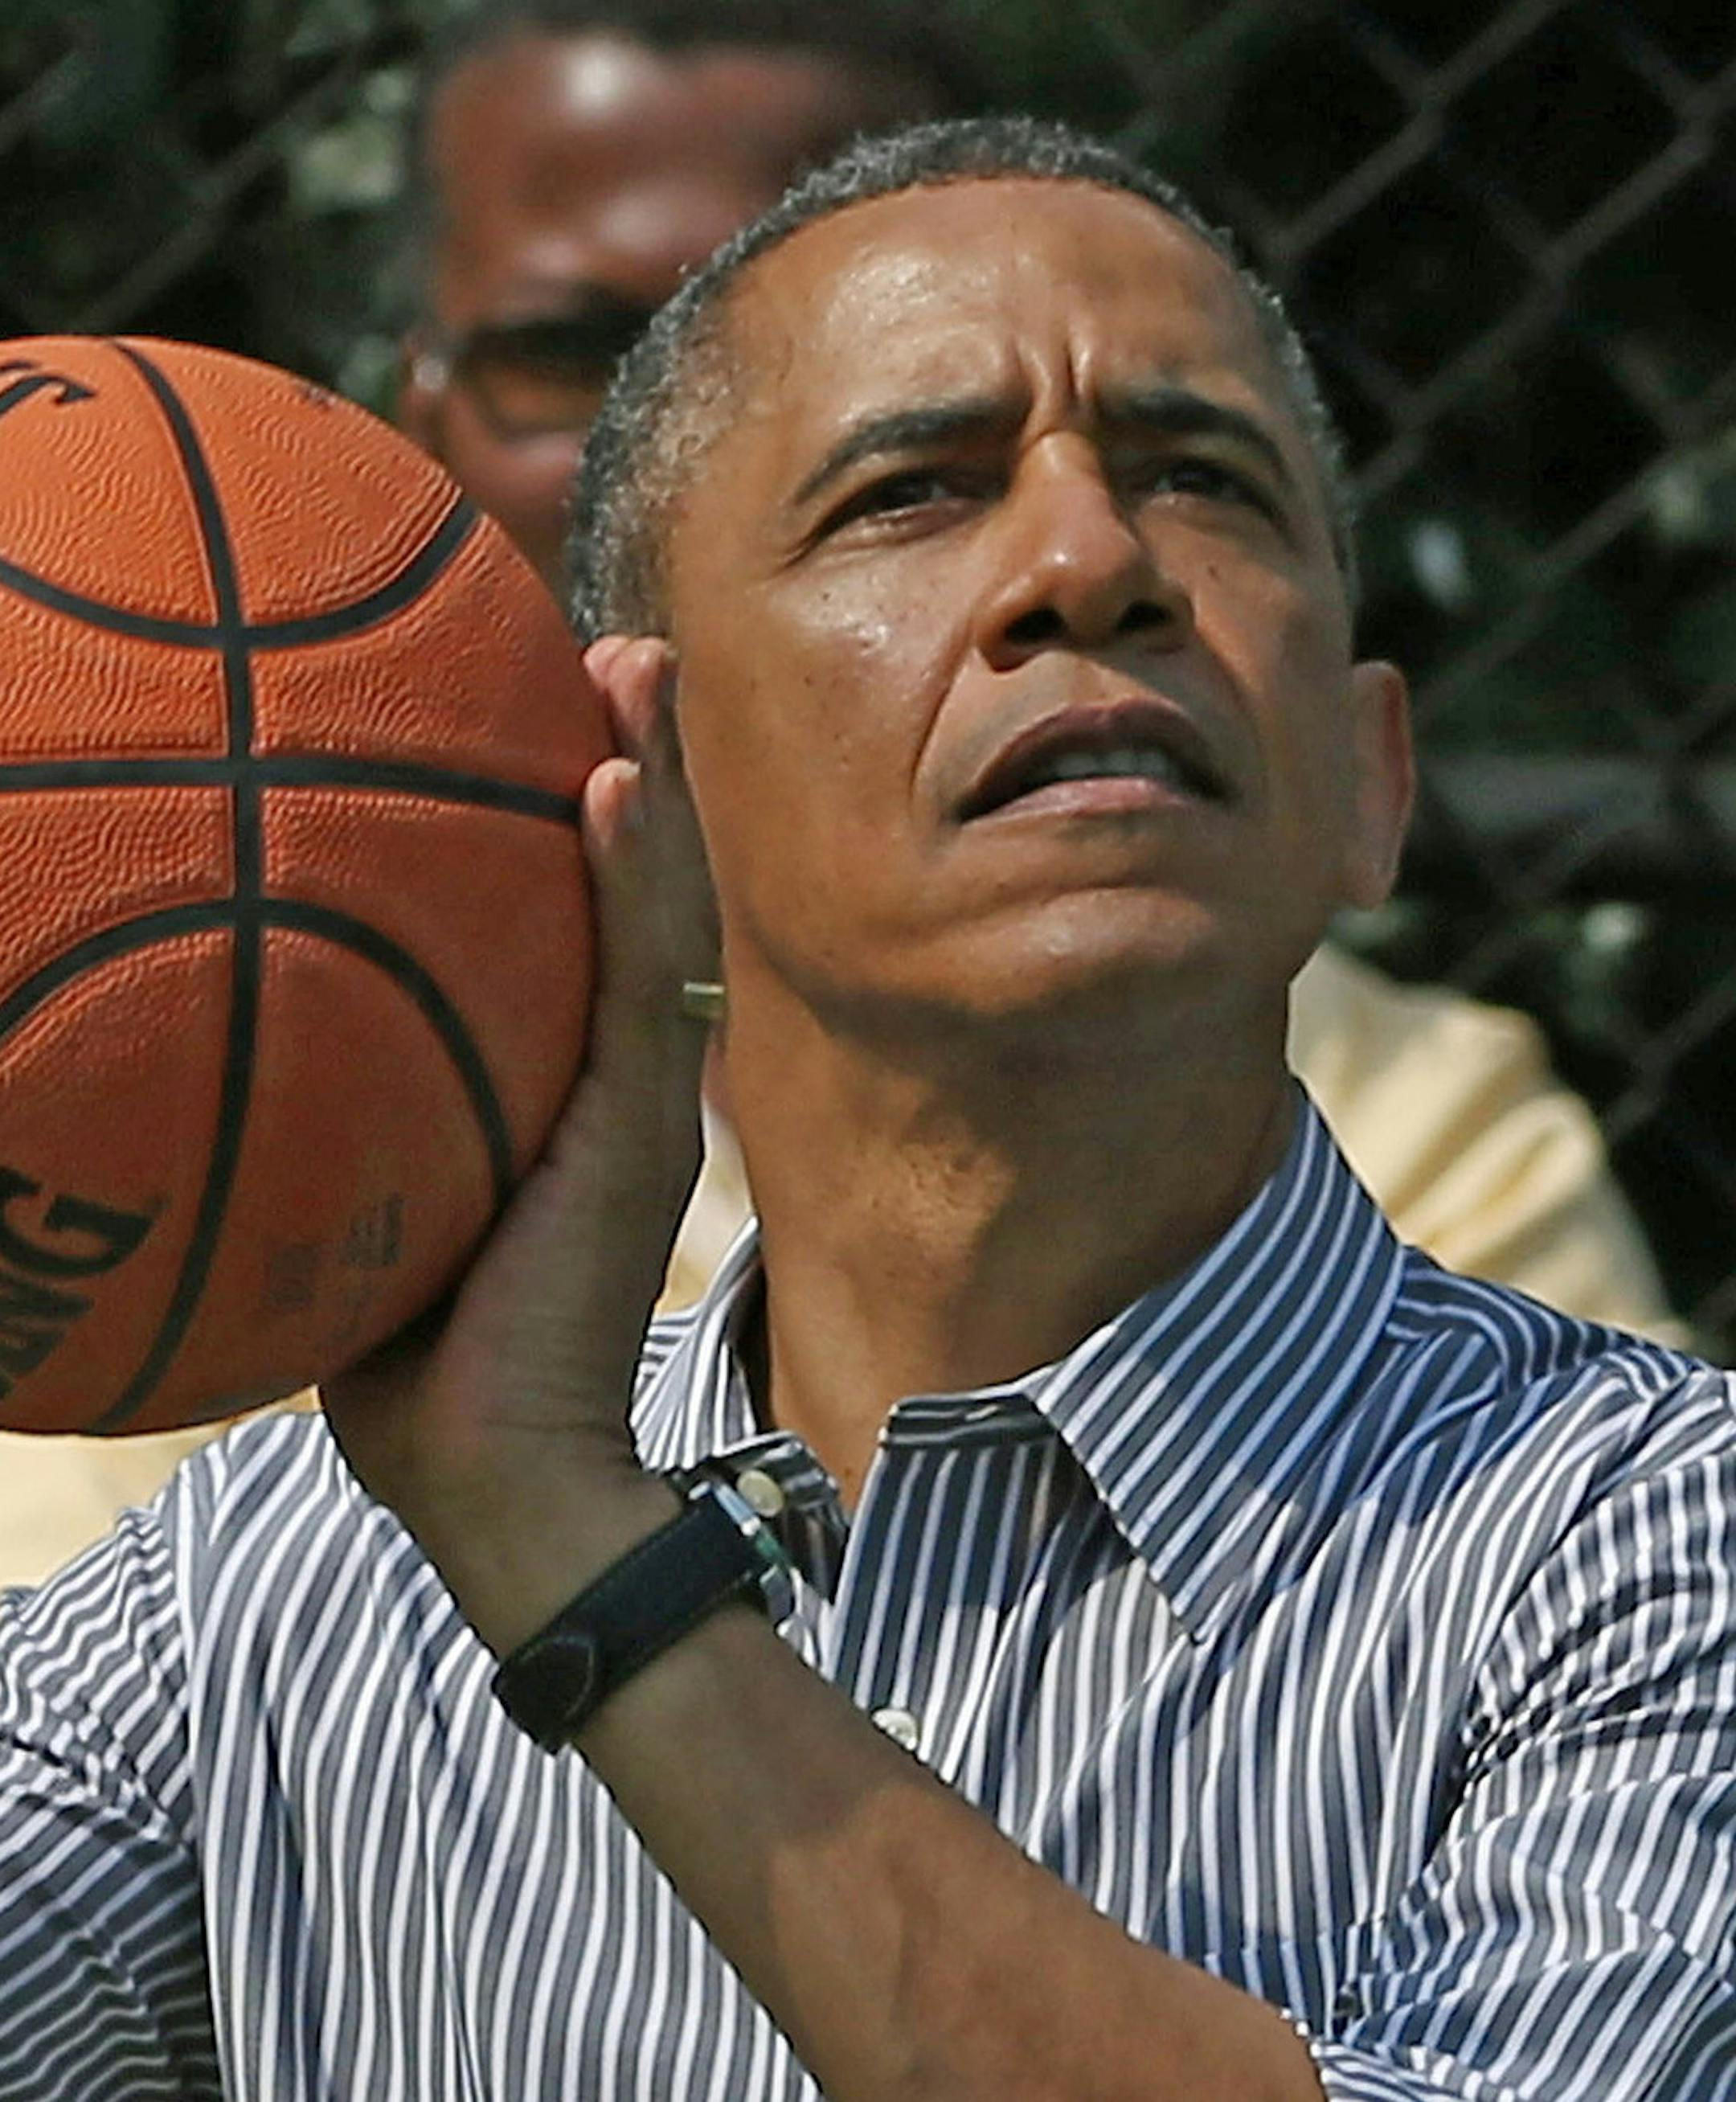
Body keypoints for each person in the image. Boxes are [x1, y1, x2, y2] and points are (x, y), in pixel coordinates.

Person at [2, 120, 1731, 2100]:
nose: (1092, 563)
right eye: (912, 493)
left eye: (1201, 477)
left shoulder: (1649, 1542)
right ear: (639, 776)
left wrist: (591, 1570)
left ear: (1369, 780)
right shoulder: (288, 1580)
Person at [0, 2, 1681, 1601]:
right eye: (579, 355)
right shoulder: (182, 1079)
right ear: (412, 428)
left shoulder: (1458, 1232)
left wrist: (576, 1565)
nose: (1081, 559)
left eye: (778, 384)